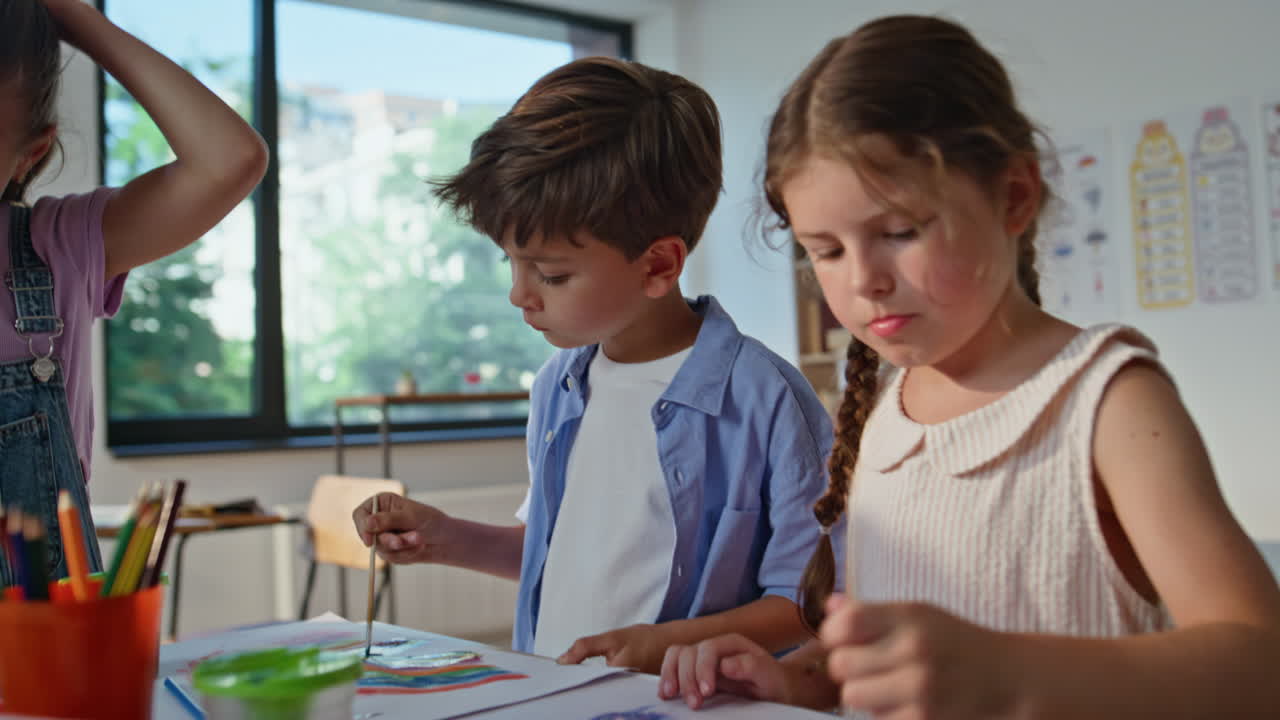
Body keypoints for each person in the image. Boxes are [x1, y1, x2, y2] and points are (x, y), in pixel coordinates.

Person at [658, 14, 1280, 716]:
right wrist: (793, 677)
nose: (863, 280)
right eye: (825, 250)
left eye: (899, 232)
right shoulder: (885, 413)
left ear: (1014, 196)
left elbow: (1259, 663)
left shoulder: (1108, 401)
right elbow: (882, 649)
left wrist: (1010, 672)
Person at [351, 56, 835, 674]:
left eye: (551, 274)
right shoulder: (559, 387)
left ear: (659, 265)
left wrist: (668, 644)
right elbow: (560, 555)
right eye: (511, 263)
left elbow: (805, 605)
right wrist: (445, 537)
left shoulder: (765, 401)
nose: (519, 294)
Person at [0, 0, 267, 583]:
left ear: (30, 153)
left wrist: (75, 19)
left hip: (46, 646)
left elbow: (230, 159)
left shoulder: (55, 246)